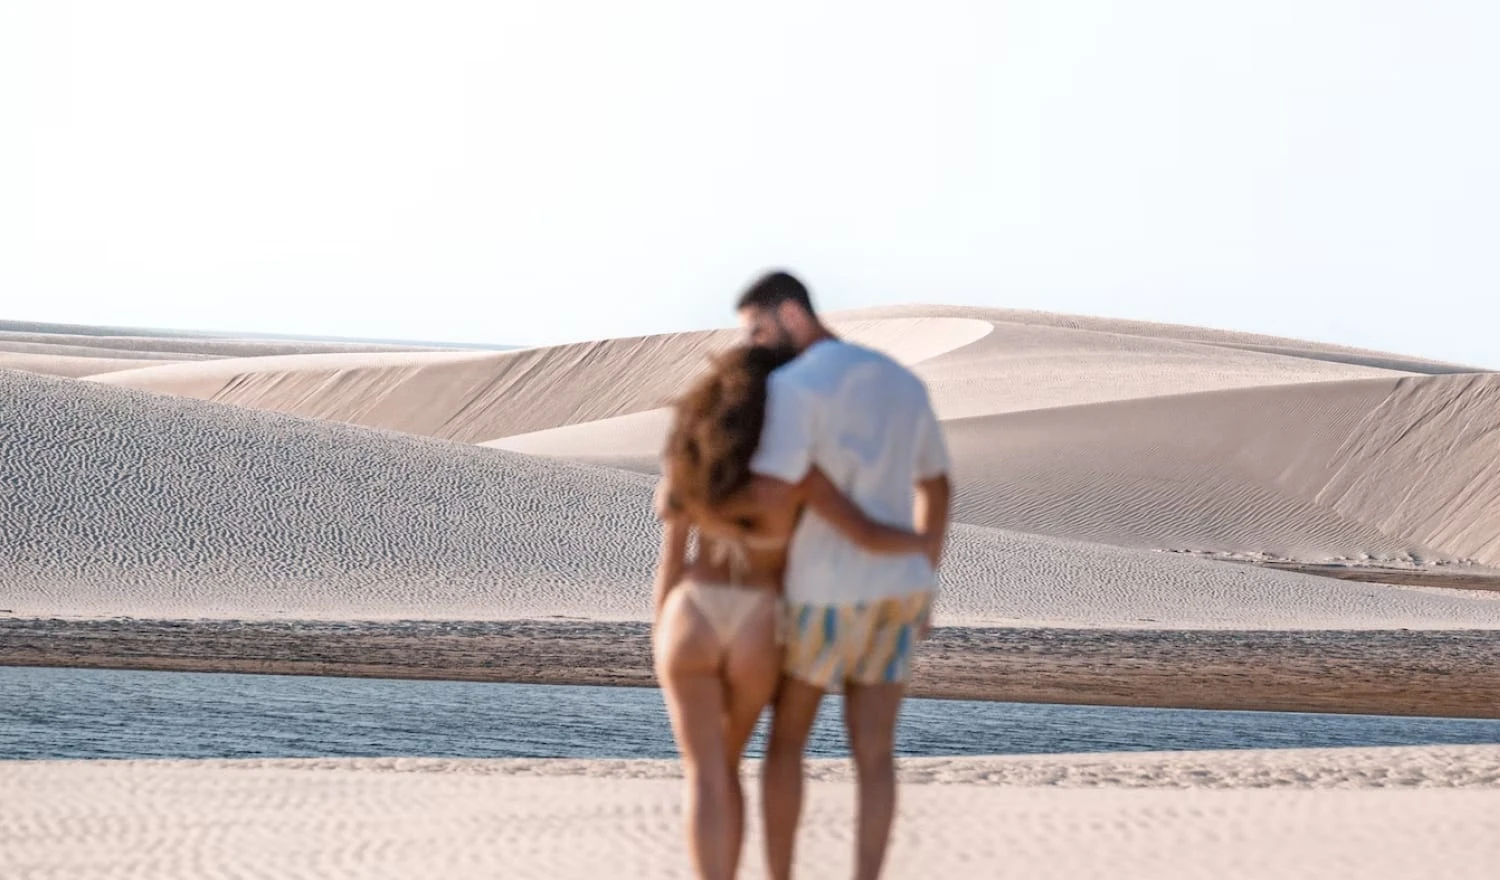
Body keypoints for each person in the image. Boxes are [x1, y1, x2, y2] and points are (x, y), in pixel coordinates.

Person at [652, 343, 937, 880]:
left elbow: (672, 553)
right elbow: (861, 534)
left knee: (706, 775)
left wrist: (662, 630)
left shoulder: (691, 455)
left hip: (692, 610)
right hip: (760, 618)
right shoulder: (799, 465)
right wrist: (920, 549)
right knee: (732, 765)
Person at [738, 271, 952, 880]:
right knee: (875, 755)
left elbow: (775, 489)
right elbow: (936, 486)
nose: (754, 344)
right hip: (896, 591)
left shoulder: (791, 385)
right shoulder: (900, 381)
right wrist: (925, 575)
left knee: (787, 742)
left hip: (819, 591)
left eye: (758, 328)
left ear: (792, 316)